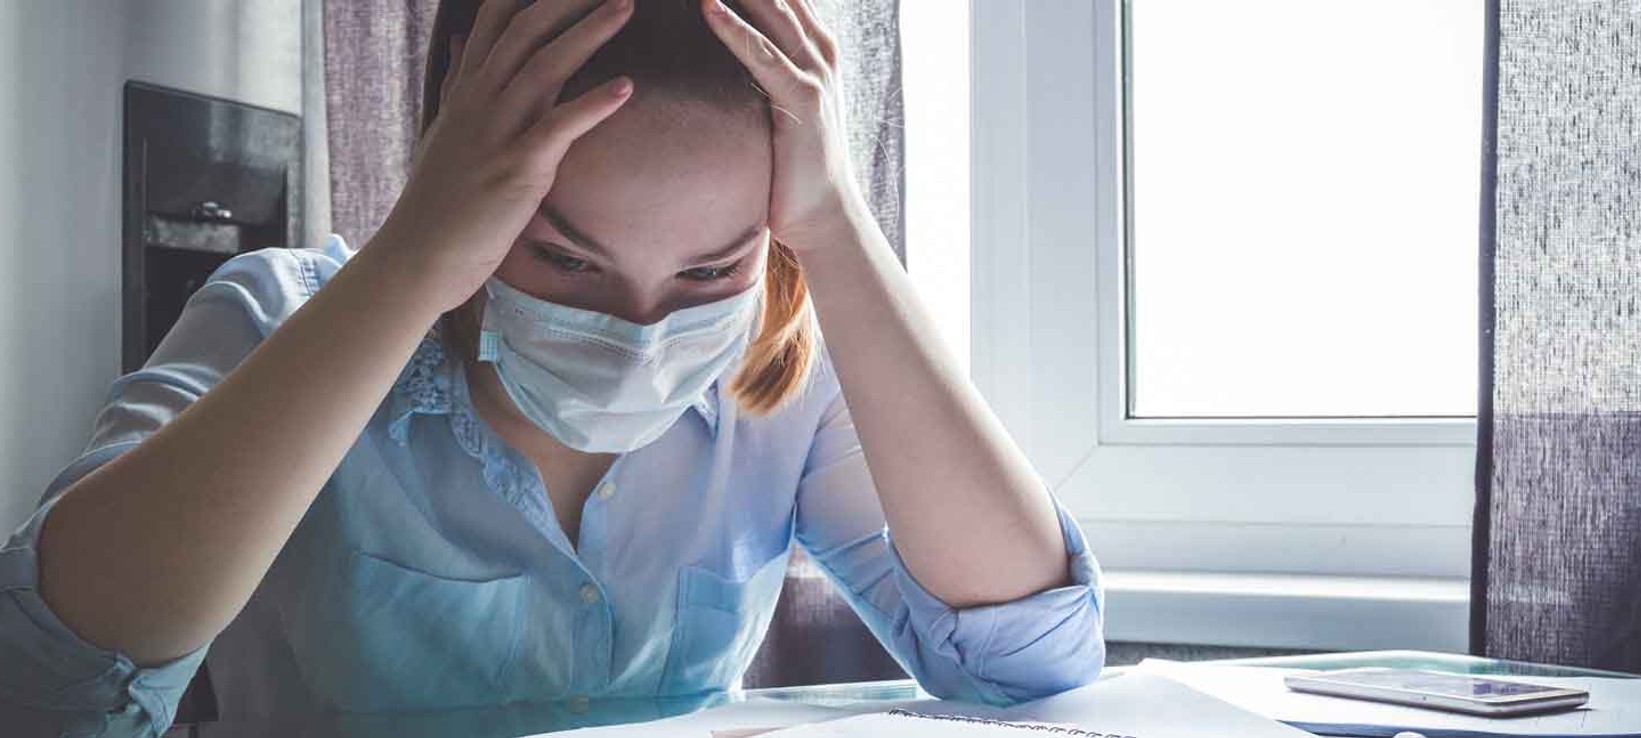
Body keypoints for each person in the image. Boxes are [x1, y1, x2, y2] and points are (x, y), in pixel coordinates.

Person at [0, 0, 1104, 734]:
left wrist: (844, 235)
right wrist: (414, 261)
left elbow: (1031, 657)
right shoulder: (275, 316)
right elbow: (42, 682)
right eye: (565, 258)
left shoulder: (785, 386)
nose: (635, 331)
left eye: (711, 270)